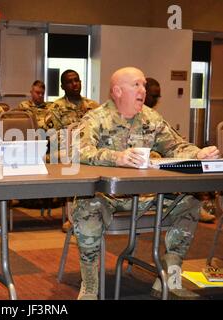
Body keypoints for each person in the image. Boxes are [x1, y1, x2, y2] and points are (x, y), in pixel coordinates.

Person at [72, 66, 220, 300]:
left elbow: (175, 146)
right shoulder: (95, 118)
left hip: (147, 198)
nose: (144, 89)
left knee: (191, 203)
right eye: (137, 85)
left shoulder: (151, 118)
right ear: (117, 91)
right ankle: (90, 287)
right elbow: (77, 151)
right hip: (106, 199)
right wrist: (116, 157)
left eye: (144, 85)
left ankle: (169, 279)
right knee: (86, 209)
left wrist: (198, 153)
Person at [145, 77, 216, 223]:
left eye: (158, 96)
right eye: (153, 96)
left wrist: (194, 151)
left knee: (188, 162)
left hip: (160, 156)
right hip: (143, 161)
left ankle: (198, 199)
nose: (156, 99)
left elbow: (173, 141)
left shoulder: (154, 117)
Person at [46, 70, 99, 232]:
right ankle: (73, 219)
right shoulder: (56, 108)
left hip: (90, 148)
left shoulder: (93, 106)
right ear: (63, 86)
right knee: (72, 162)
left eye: (77, 80)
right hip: (64, 150)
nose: (75, 84)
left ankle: (96, 212)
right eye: (70, 82)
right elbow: (52, 137)